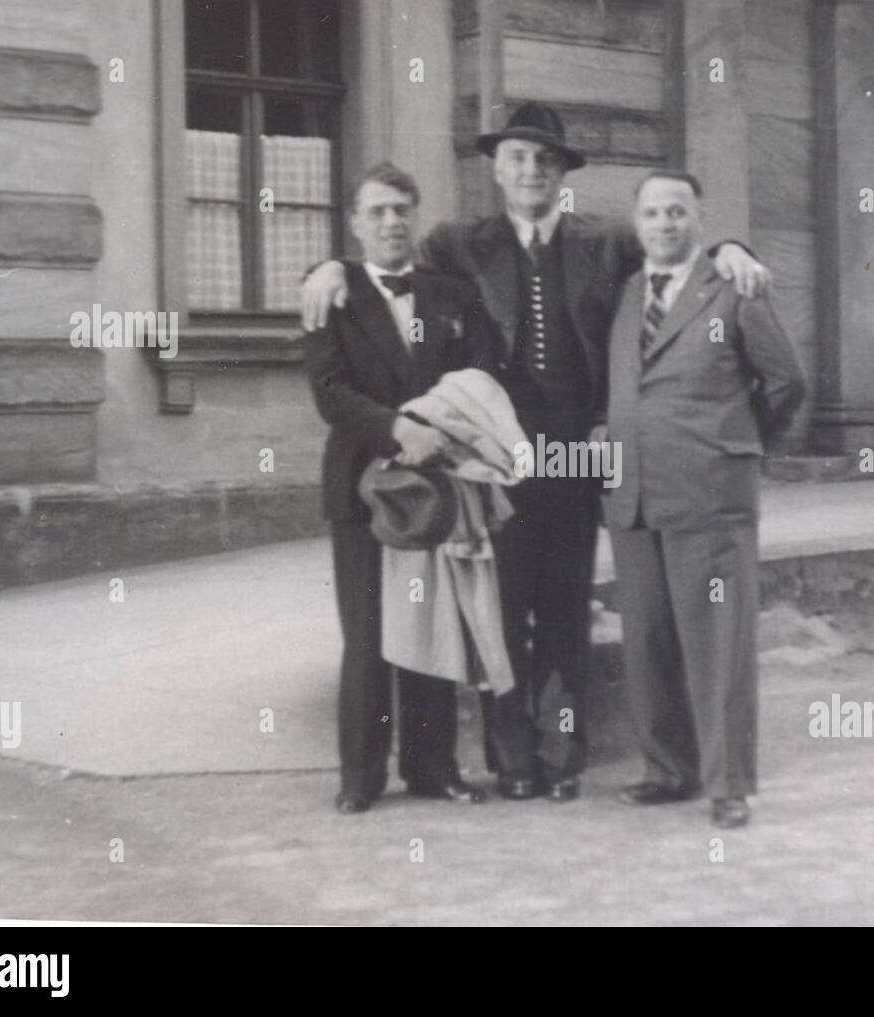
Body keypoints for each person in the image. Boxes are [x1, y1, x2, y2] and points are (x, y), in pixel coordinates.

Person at [302, 102, 771, 804]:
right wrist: (326, 267)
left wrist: (735, 246)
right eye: (518, 158)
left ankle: (562, 755)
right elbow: (382, 259)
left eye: (545, 160)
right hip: (495, 454)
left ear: (562, 174)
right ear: (496, 168)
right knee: (499, 609)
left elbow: (676, 246)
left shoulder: (603, 240)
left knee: (563, 608)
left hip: (578, 451)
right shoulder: (460, 243)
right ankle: (512, 756)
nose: (531, 171)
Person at [601, 170, 806, 829]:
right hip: (633, 495)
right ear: (637, 225)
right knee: (650, 639)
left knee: (717, 641)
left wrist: (738, 445)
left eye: (677, 212)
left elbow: (787, 381)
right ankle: (668, 770)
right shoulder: (630, 291)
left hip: (710, 492)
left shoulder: (733, 286)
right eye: (653, 213)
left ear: (700, 219)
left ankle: (729, 784)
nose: (664, 224)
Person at [303, 161, 499, 814]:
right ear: (356, 224)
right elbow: (330, 392)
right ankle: (360, 776)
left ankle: (431, 766)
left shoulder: (451, 295)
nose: (392, 221)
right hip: (363, 487)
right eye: (378, 210)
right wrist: (397, 430)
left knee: (429, 622)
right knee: (366, 634)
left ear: (415, 217)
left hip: (436, 489)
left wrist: (443, 427)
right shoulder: (330, 293)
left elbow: (482, 370)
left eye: (401, 209)